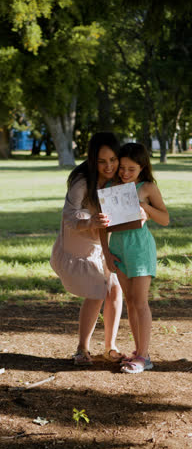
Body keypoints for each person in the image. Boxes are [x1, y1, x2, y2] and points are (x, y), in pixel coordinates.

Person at [50, 132, 125, 365]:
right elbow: (69, 216)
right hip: (79, 242)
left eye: (113, 159)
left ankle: (110, 346)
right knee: (96, 290)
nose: (109, 166)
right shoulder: (82, 181)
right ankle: (82, 349)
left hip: (102, 241)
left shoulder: (118, 179)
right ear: (93, 160)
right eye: (102, 161)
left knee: (114, 289)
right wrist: (90, 221)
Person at [100, 142, 169, 373]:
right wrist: (106, 253)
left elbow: (165, 219)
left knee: (140, 302)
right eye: (123, 168)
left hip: (140, 249)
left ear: (142, 167)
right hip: (118, 250)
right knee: (130, 302)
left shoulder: (147, 187)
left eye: (132, 169)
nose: (125, 173)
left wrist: (145, 208)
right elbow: (103, 224)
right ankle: (138, 351)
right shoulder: (111, 187)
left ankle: (144, 356)